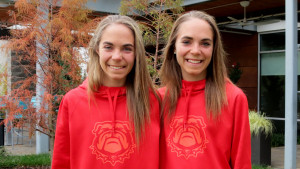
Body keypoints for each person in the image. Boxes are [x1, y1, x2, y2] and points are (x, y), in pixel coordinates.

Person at [52, 15, 160, 169]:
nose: (117, 57)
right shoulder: (73, 101)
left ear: (137, 53)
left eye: (127, 48)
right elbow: (61, 163)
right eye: (108, 47)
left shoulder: (153, 101)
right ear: (97, 49)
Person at [159, 11, 251, 169]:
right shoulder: (158, 99)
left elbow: (241, 163)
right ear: (174, 46)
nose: (195, 50)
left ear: (214, 49)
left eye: (205, 43)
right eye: (187, 42)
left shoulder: (233, 98)